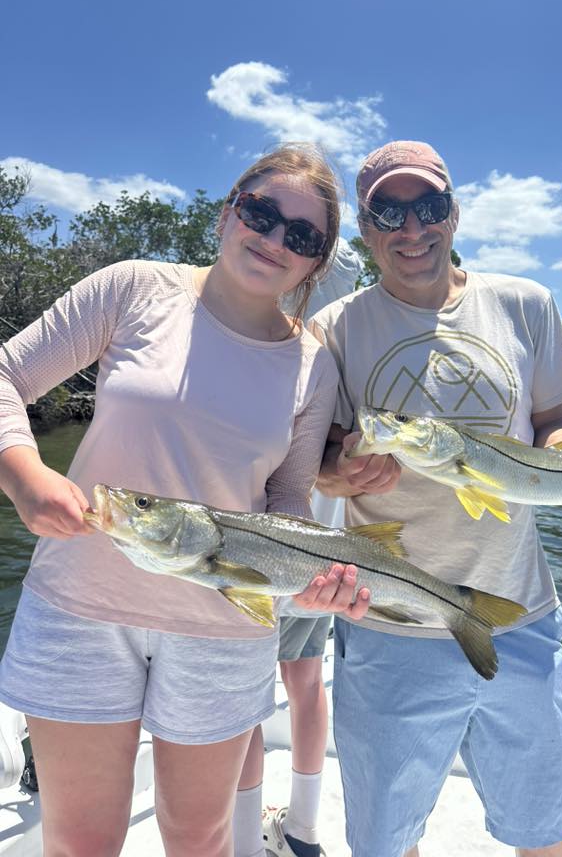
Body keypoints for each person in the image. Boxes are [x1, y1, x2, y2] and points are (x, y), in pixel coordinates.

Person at [301, 140, 562, 857]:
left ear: (455, 213)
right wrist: (339, 475)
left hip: (521, 616)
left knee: (549, 828)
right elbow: (313, 461)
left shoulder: (525, 303)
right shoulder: (333, 328)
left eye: (429, 206)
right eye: (389, 212)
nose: (412, 229)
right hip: (389, 625)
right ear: (367, 230)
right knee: (384, 840)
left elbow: (554, 428)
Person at [0, 144, 357, 857]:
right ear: (228, 212)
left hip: (222, 626)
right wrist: (24, 474)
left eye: (304, 236)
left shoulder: (314, 363)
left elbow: (286, 494)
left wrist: (308, 576)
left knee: (200, 838)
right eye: (261, 212)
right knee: (79, 842)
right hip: (79, 607)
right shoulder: (134, 288)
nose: (275, 238)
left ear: (316, 262)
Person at [233, 237, 364, 857]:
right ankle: (306, 828)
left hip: (251, 554)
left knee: (244, 692)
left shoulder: (259, 346)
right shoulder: (346, 352)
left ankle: (240, 835)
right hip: (321, 556)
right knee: (307, 684)